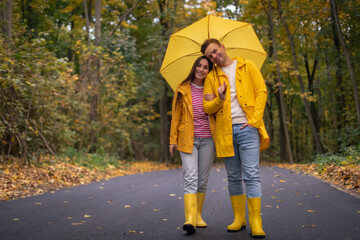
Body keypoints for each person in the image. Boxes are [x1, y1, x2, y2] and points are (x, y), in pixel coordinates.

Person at [200, 39, 269, 238]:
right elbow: (207, 108)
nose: (213, 57)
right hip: (225, 131)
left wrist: (254, 121)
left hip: (248, 129)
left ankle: (256, 222)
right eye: (209, 56)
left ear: (222, 46)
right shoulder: (211, 78)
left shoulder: (248, 66)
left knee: (251, 175)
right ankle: (239, 219)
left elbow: (261, 92)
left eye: (214, 51)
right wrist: (219, 98)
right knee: (233, 177)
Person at [169, 56, 215, 235]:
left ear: (209, 71)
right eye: (199, 65)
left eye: (205, 67)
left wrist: (217, 98)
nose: (201, 69)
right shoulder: (183, 89)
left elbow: (218, 113)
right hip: (187, 138)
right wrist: (172, 140)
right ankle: (189, 219)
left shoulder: (212, 89)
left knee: (202, 180)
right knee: (190, 176)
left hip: (208, 139)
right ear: (194, 67)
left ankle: (197, 216)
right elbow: (176, 116)